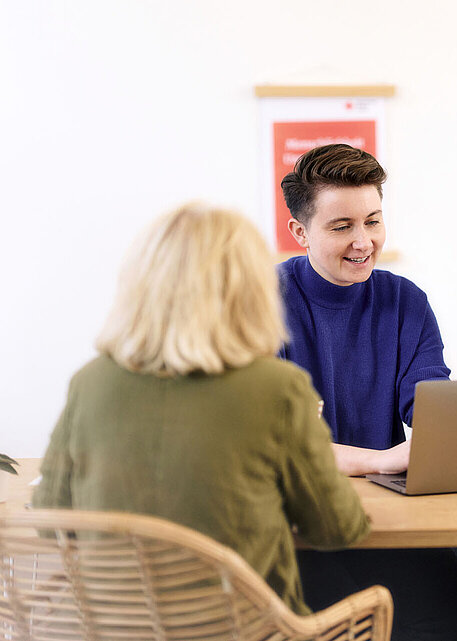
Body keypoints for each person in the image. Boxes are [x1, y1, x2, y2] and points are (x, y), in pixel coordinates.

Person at [33, 203, 370, 616]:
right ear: (249, 290)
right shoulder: (277, 389)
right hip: (242, 628)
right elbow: (337, 527)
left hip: (115, 628)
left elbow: (52, 521)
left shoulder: (90, 383)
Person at [277, 144, 457, 641]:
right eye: (341, 226)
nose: (363, 241)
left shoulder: (405, 301)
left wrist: (442, 437)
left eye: (373, 220)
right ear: (300, 232)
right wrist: (386, 459)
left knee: (454, 619)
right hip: (295, 525)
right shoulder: (262, 304)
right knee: (345, 626)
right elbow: (276, 452)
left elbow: (432, 406)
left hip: (384, 516)